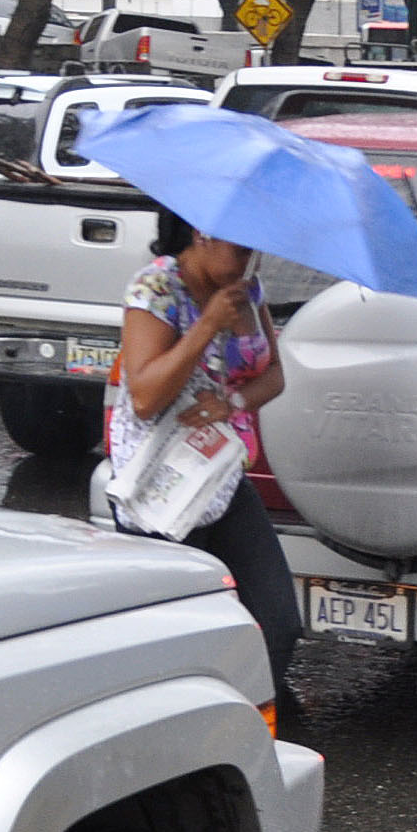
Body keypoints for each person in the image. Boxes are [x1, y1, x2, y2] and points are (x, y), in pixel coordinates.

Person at [112, 209, 301, 710]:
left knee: (279, 621)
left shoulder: (248, 291)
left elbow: (275, 376)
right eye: (240, 249)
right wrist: (208, 324)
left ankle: (239, 727)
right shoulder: (155, 289)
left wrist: (233, 403)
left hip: (219, 476)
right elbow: (146, 396)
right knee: (174, 638)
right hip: (161, 491)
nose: (247, 263)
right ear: (204, 231)